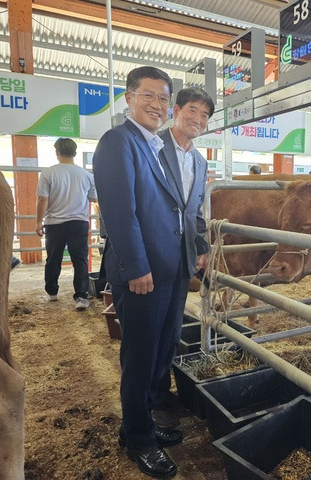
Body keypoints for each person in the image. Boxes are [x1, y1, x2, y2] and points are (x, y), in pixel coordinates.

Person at [93, 67, 212, 479]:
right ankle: (139, 440)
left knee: (161, 351)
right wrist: (135, 267)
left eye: (162, 98)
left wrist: (195, 253)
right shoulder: (117, 142)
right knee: (140, 357)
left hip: (172, 270)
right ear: (128, 97)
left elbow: (181, 212)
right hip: (144, 274)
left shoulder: (152, 147)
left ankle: (138, 423)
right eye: (149, 96)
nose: (156, 105)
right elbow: (120, 213)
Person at [36, 138, 97, 310]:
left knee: (53, 258)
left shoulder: (48, 173)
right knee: (80, 259)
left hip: (55, 223)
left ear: (57, 153)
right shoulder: (87, 175)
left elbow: (42, 199)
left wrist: (38, 221)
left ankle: (52, 292)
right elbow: (93, 198)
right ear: (75, 153)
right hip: (79, 222)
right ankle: (81, 296)